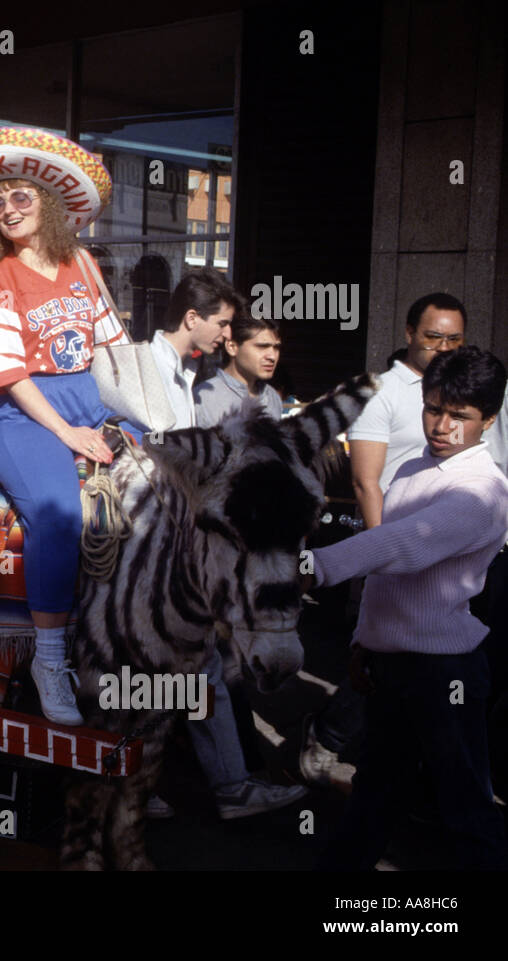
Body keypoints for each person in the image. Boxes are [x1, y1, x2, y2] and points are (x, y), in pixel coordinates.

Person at [0, 128, 134, 726]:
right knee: (59, 513)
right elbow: (8, 376)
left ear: (47, 203)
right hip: (21, 412)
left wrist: (138, 417)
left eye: (20, 197)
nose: (8, 210)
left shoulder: (83, 262)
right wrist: (69, 433)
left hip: (86, 394)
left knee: (159, 490)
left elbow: (112, 348)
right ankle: (51, 661)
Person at [307, 346, 508, 870]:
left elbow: (403, 547)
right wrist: (362, 643)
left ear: (488, 419)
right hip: (391, 664)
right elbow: (385, 573)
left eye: (459, 416)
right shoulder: (417, 465)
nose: (441, 425)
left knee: (464, 805)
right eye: (433, 408)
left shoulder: (482, 489)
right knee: (376, 792)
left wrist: (310, 566)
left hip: (447, 672)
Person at [149, 269, 307, 819]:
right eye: (226, 327)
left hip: (193, 557)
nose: (270, 355)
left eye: (275, 346)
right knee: (179, 668)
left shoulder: (194, 382)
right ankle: (199, 784)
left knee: (198, 670)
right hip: (172, 553)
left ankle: (213, 783)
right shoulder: (184, 383)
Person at [348, 292, 467, 530]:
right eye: (433, 337)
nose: (444, 348)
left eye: (454, 339)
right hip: (395, 533)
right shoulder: (379, 393)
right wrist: (383, 547)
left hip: (451, 532)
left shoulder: (467, 390)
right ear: (409, 334)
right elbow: (365, 483)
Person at [148, 267, 237, 431]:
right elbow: (153, 440)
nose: (228, 334)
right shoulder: (149, 370)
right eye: (222, 324)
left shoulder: (185, 368)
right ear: (192, 319)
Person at [194, 312, 283, 427]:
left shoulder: (272, 397)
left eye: (276, 347)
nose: (272, 356)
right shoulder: (202, 399)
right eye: (262, 346)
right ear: (232, 347)